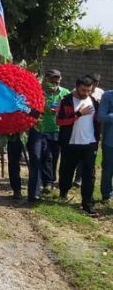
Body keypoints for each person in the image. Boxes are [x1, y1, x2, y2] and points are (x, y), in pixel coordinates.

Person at [57, 76, 100, 217]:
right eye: (84, 90)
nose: (86, 93)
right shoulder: (67, 100)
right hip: (71, 143)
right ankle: (63, 191)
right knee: (66, 171)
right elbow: (60, 121)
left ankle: (87, 204)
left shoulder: (93, 101)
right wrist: (78, 114)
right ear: (76, 87)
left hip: (89, 143)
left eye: (89, 90)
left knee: (89, 175)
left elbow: (97, 120)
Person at [27, 69, 69, 201]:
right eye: (52, 80)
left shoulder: (65, 93)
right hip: (40, 129)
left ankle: (49, 182)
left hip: (57, 130)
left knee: (53, 157)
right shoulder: (38, 92)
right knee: (39, 157)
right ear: (46, 79)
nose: (55, 83)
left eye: (57, 80)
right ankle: (36, 190)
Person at [98, 88, 113, 202]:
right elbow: (100, 116)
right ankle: (106, 195)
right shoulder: (108, 96)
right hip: (110, 141)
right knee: (108, 169)